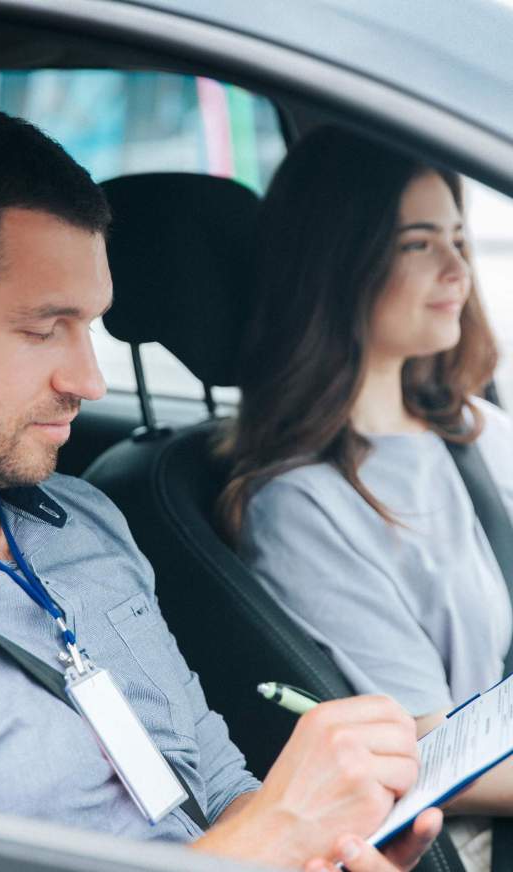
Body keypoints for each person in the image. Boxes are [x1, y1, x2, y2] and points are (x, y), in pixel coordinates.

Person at [0, 103, 441, 872]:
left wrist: (325, 849)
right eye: (42, 329)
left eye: (91, 326)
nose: (89, 380)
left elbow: (217, 789)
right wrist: (271, 832)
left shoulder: (84, 522)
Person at [219, 126, 512, 871]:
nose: (456, 266)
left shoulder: (474, 428)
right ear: (340, 263)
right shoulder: (302, 506)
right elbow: (433, 752)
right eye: (418, 243)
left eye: (457, 236)